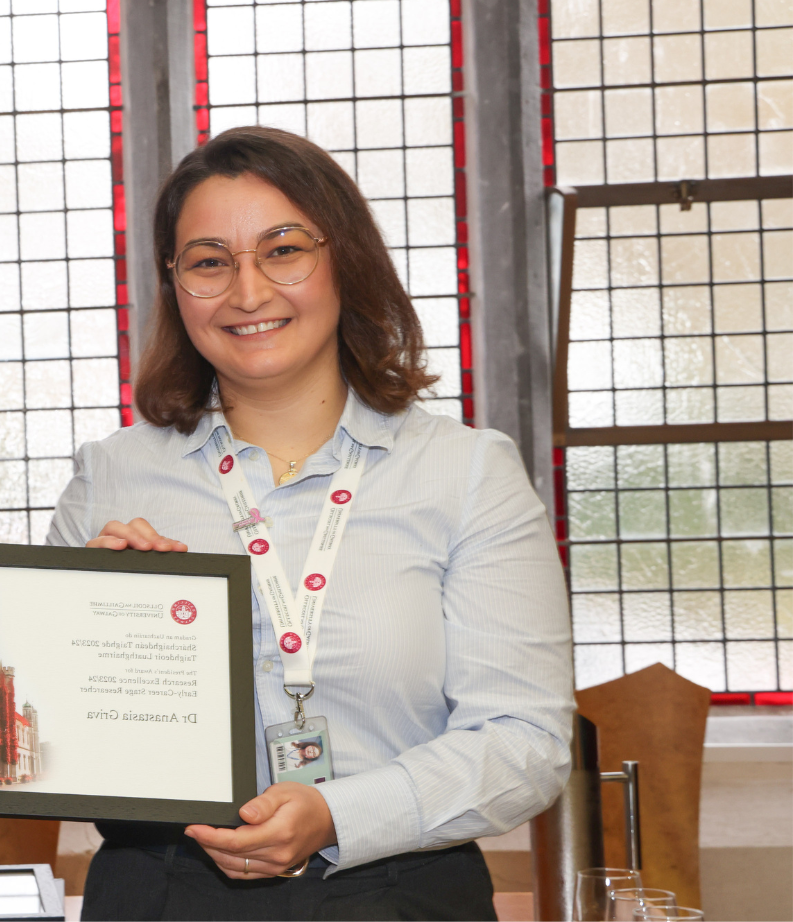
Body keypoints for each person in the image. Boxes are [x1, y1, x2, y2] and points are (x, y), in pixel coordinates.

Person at [46, 126, 573, 920]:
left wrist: (339, 814)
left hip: (399, 892)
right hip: (158, 893)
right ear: (174, 283)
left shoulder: (466, 472)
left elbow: (526, 743)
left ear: (345, 261)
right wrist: (91, 634)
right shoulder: (112, 475)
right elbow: (40, 738)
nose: (247, 291)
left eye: (283, 249)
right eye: (209, 261)